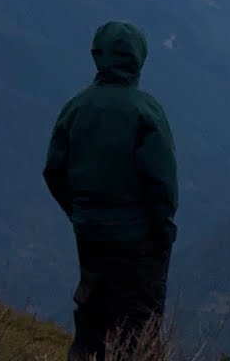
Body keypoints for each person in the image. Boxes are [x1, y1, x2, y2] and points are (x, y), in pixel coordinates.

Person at [43, 21, 179, 361]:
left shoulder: (75, 108)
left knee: (92, 322)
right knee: (138, 332)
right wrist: (163, 232)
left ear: (98, 54)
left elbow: (54, 171)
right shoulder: (146, 112)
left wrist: (80, 212)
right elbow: (162, 184)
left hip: (90, 236)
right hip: (139, 242)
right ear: (138, 58)